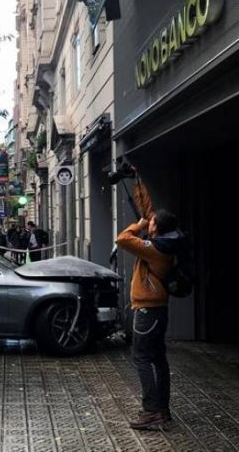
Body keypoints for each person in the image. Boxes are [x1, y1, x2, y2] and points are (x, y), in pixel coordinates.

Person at [116, 173, 186, 430]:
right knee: (158, 358)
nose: (149, 222)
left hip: (147, 310)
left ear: (157, 228)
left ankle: (151, 411)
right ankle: (163, 410)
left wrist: (138, 225)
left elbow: (122, 239)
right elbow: (149, 211)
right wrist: (139, 184)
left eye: (152, 222)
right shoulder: (166, 242)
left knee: (142, 357)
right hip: (158, 308)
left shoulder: (153, 248)